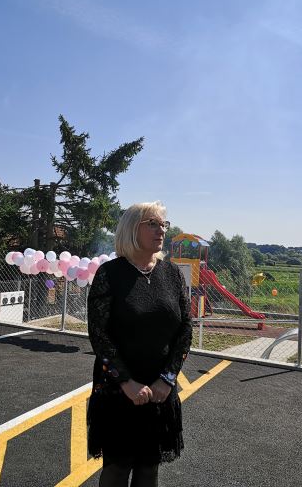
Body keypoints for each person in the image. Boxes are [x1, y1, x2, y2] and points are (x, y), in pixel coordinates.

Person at [87, 201, 193, 487]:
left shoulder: (171, 274)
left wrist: (167, 379)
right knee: (117, 469)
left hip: (159, 391)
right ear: (132, 229)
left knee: (149, 469)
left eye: (163, 224)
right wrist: (126, 382)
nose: (162, 230)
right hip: (118, 391)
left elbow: (185, 329)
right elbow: (99, 334)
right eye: (153, 224)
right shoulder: (109, 274)